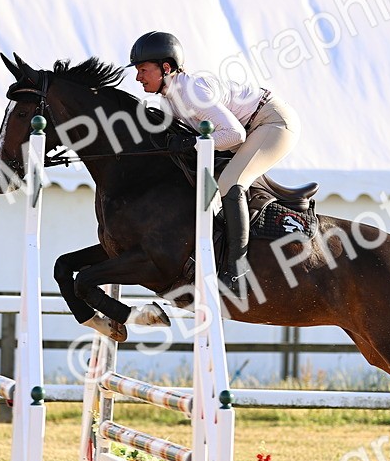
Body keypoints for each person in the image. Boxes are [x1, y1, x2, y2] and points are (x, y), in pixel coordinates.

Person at [128, 31, 300, 292]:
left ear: (166, 67)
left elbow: (233, 135)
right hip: (252, 127)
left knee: (230, 181)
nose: (138, 77)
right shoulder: (169, 99)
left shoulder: (191, 91)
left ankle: (237, 270)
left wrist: (191, 142)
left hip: (272, 121)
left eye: (143, 69)